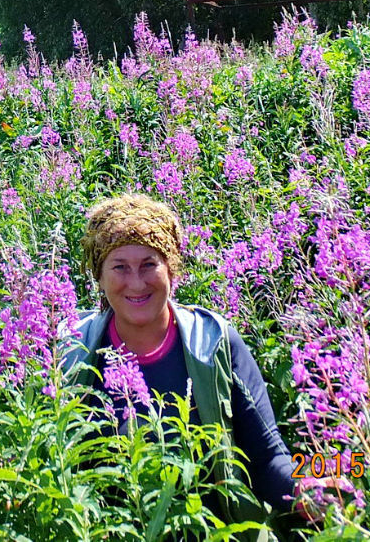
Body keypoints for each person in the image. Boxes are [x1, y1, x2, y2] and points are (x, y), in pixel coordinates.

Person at [61, 194, 327, 537]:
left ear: (172, 268)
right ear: (98, 276)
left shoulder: (215, 342)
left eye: (149, 264)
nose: (137, 282)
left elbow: (266, 459)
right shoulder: (71, 352)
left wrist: (311, 489)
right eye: (120, 267)